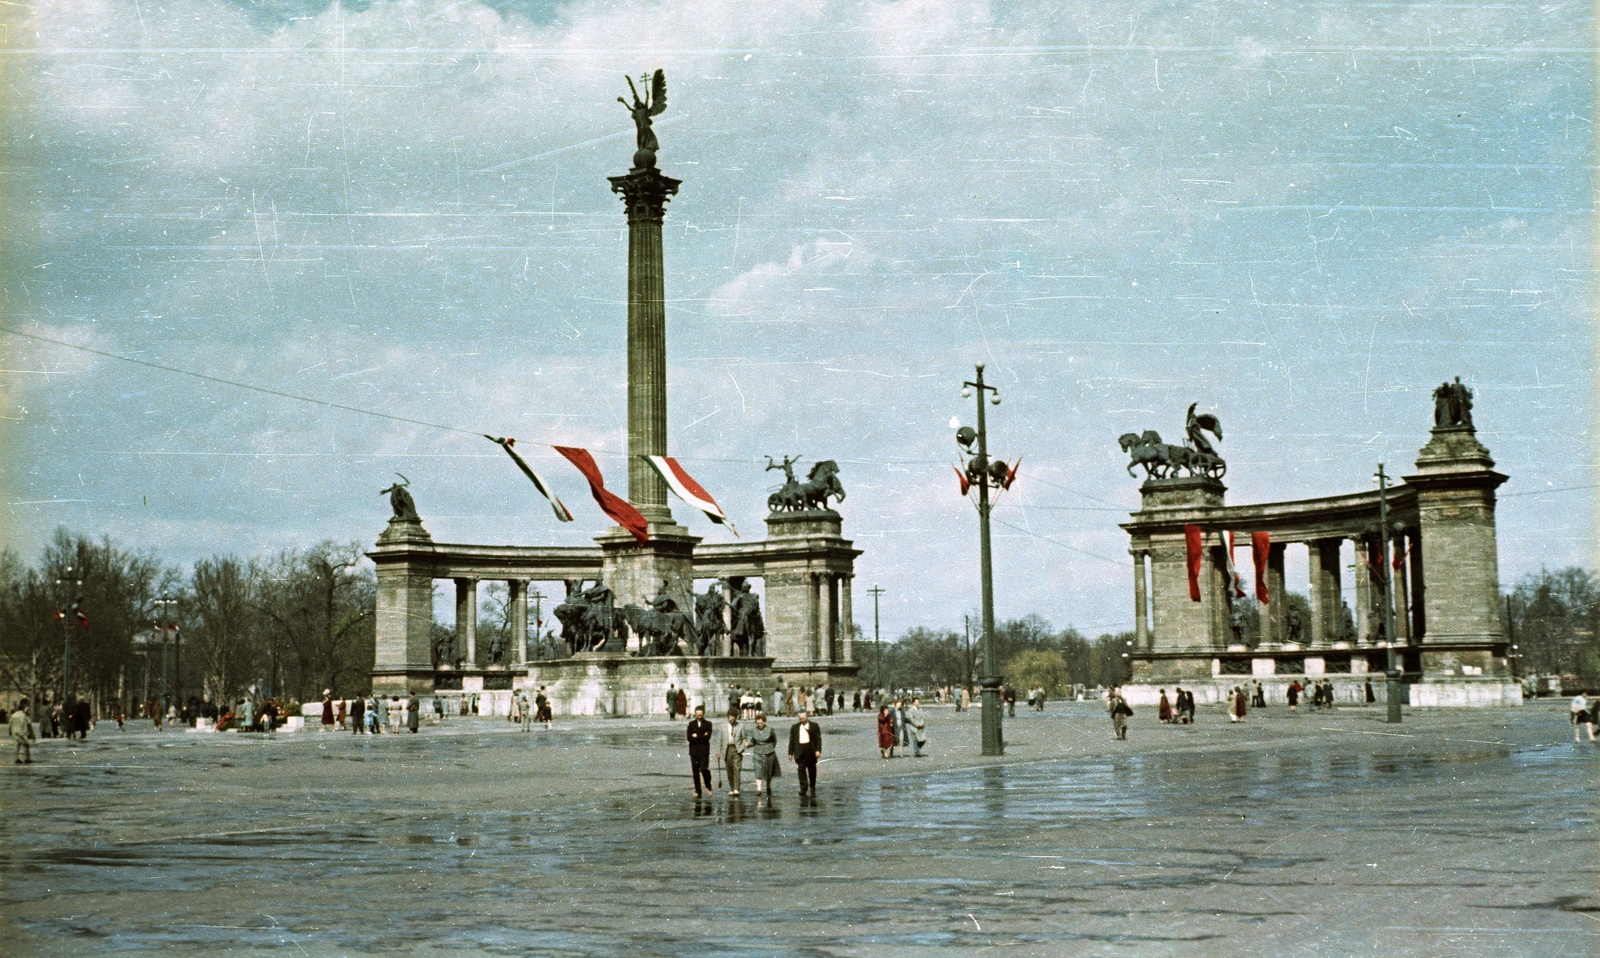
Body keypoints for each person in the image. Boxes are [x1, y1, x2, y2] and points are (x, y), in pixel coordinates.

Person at [787, 709, 822, 796]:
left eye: (803, 718)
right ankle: (803, 788)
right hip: (799, 750)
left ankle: (812, 786)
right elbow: (792, 741)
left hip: (810, 750)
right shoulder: (794, 727)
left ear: (807, 717)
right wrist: (790, 753)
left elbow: (818, 739)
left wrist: (818, 750)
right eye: (800, 718)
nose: (802, 720)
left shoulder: (814, 726)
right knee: (801, 770)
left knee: (812, 770)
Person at [714, 709, 747, 797]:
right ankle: (732, 788)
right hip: (727, 749)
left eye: (733, 718)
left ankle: (736, 788)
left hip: (737, 749)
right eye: (730, 718)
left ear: (736, 717)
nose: (731, 720)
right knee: (729, 770)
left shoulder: (741, 726)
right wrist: (718, 752)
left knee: (737, 768)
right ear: (728, 717)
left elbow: (744, 738)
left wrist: (743, 748)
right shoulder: (722, 726)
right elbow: (719, 740)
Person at [746, 713, 779, 798]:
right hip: (757, 752)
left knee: (769, 771)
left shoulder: (770, 730)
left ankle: (768, 785)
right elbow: (753, 742)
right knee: (758, 770)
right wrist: (748, 745)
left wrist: (770, 748)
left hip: (769, 752)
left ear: (764, 722)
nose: (759, 725)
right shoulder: (754, 731)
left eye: (761, 723)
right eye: (758, 723)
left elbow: (774, 740)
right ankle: (759, 788)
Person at [686, 705, 713, 798]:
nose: (699, 717)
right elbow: (689, 737)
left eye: (701, 715)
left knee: (704, 769)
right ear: (695, 714)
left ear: (703, 714)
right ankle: (698, 791)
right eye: (697, 715)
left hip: (704, 751)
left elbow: (707, 737)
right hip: (694, 751)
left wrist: (696, 736)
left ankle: (708, 785)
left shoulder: (708, 724)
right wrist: (701, 736)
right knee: (695, 772)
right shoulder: (691, 724)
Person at [11, 699, 35, 764]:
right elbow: (29, 724)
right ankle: (27, 758)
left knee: (17, 746)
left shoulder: (13, 715)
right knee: (26, 745)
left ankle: (17, 758)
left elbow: (10, 724)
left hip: (15, 732)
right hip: (23, 732)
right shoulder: (24, 716)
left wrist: (10, 731)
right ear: (23, 708)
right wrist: (32, 734)